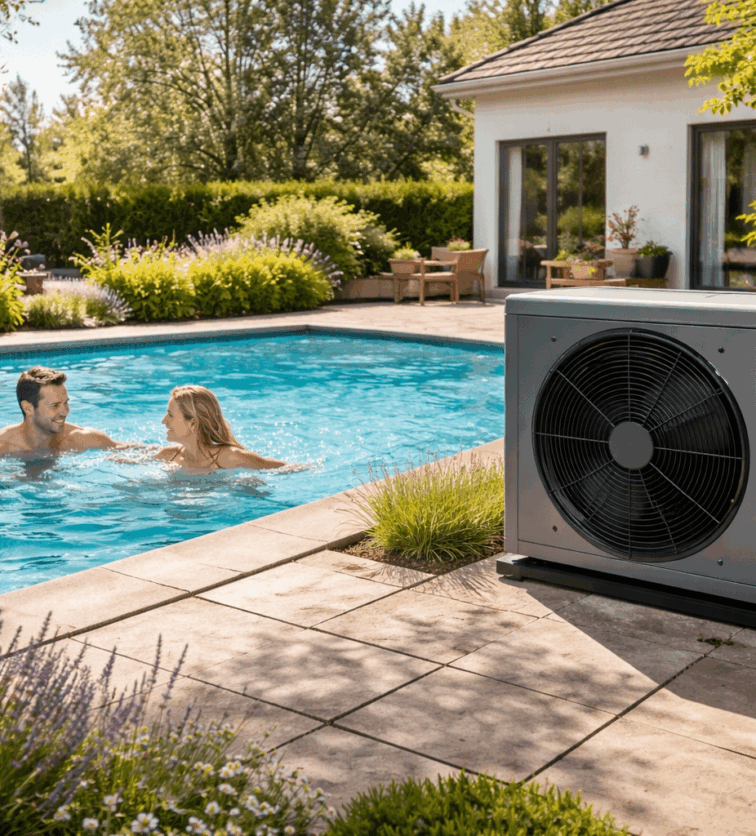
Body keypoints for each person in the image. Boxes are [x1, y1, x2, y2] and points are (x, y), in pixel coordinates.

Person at [154, 384, 287, 471]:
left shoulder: (229, 457)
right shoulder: (168, 455)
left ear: (193, 423)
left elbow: (288, 468)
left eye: (170, 415)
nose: (163, 421)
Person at [0, 366, 125, 456]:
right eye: (55, 405)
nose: (65, 412)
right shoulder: (4, 445)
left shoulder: (80, 438)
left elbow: (132, 450)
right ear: (28, 408)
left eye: (65, 403)